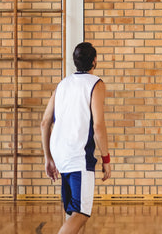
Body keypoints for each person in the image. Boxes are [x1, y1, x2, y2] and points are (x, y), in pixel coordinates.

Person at [41, 42, 111, 234]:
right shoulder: (96, 84)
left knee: (72, 213)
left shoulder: (61, 85)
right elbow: (98, 126)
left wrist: (48, 158)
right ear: (94, 61)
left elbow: (45, 122)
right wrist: (106, 158)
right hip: (78, 156)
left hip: (60, 156)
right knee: (81, 213)